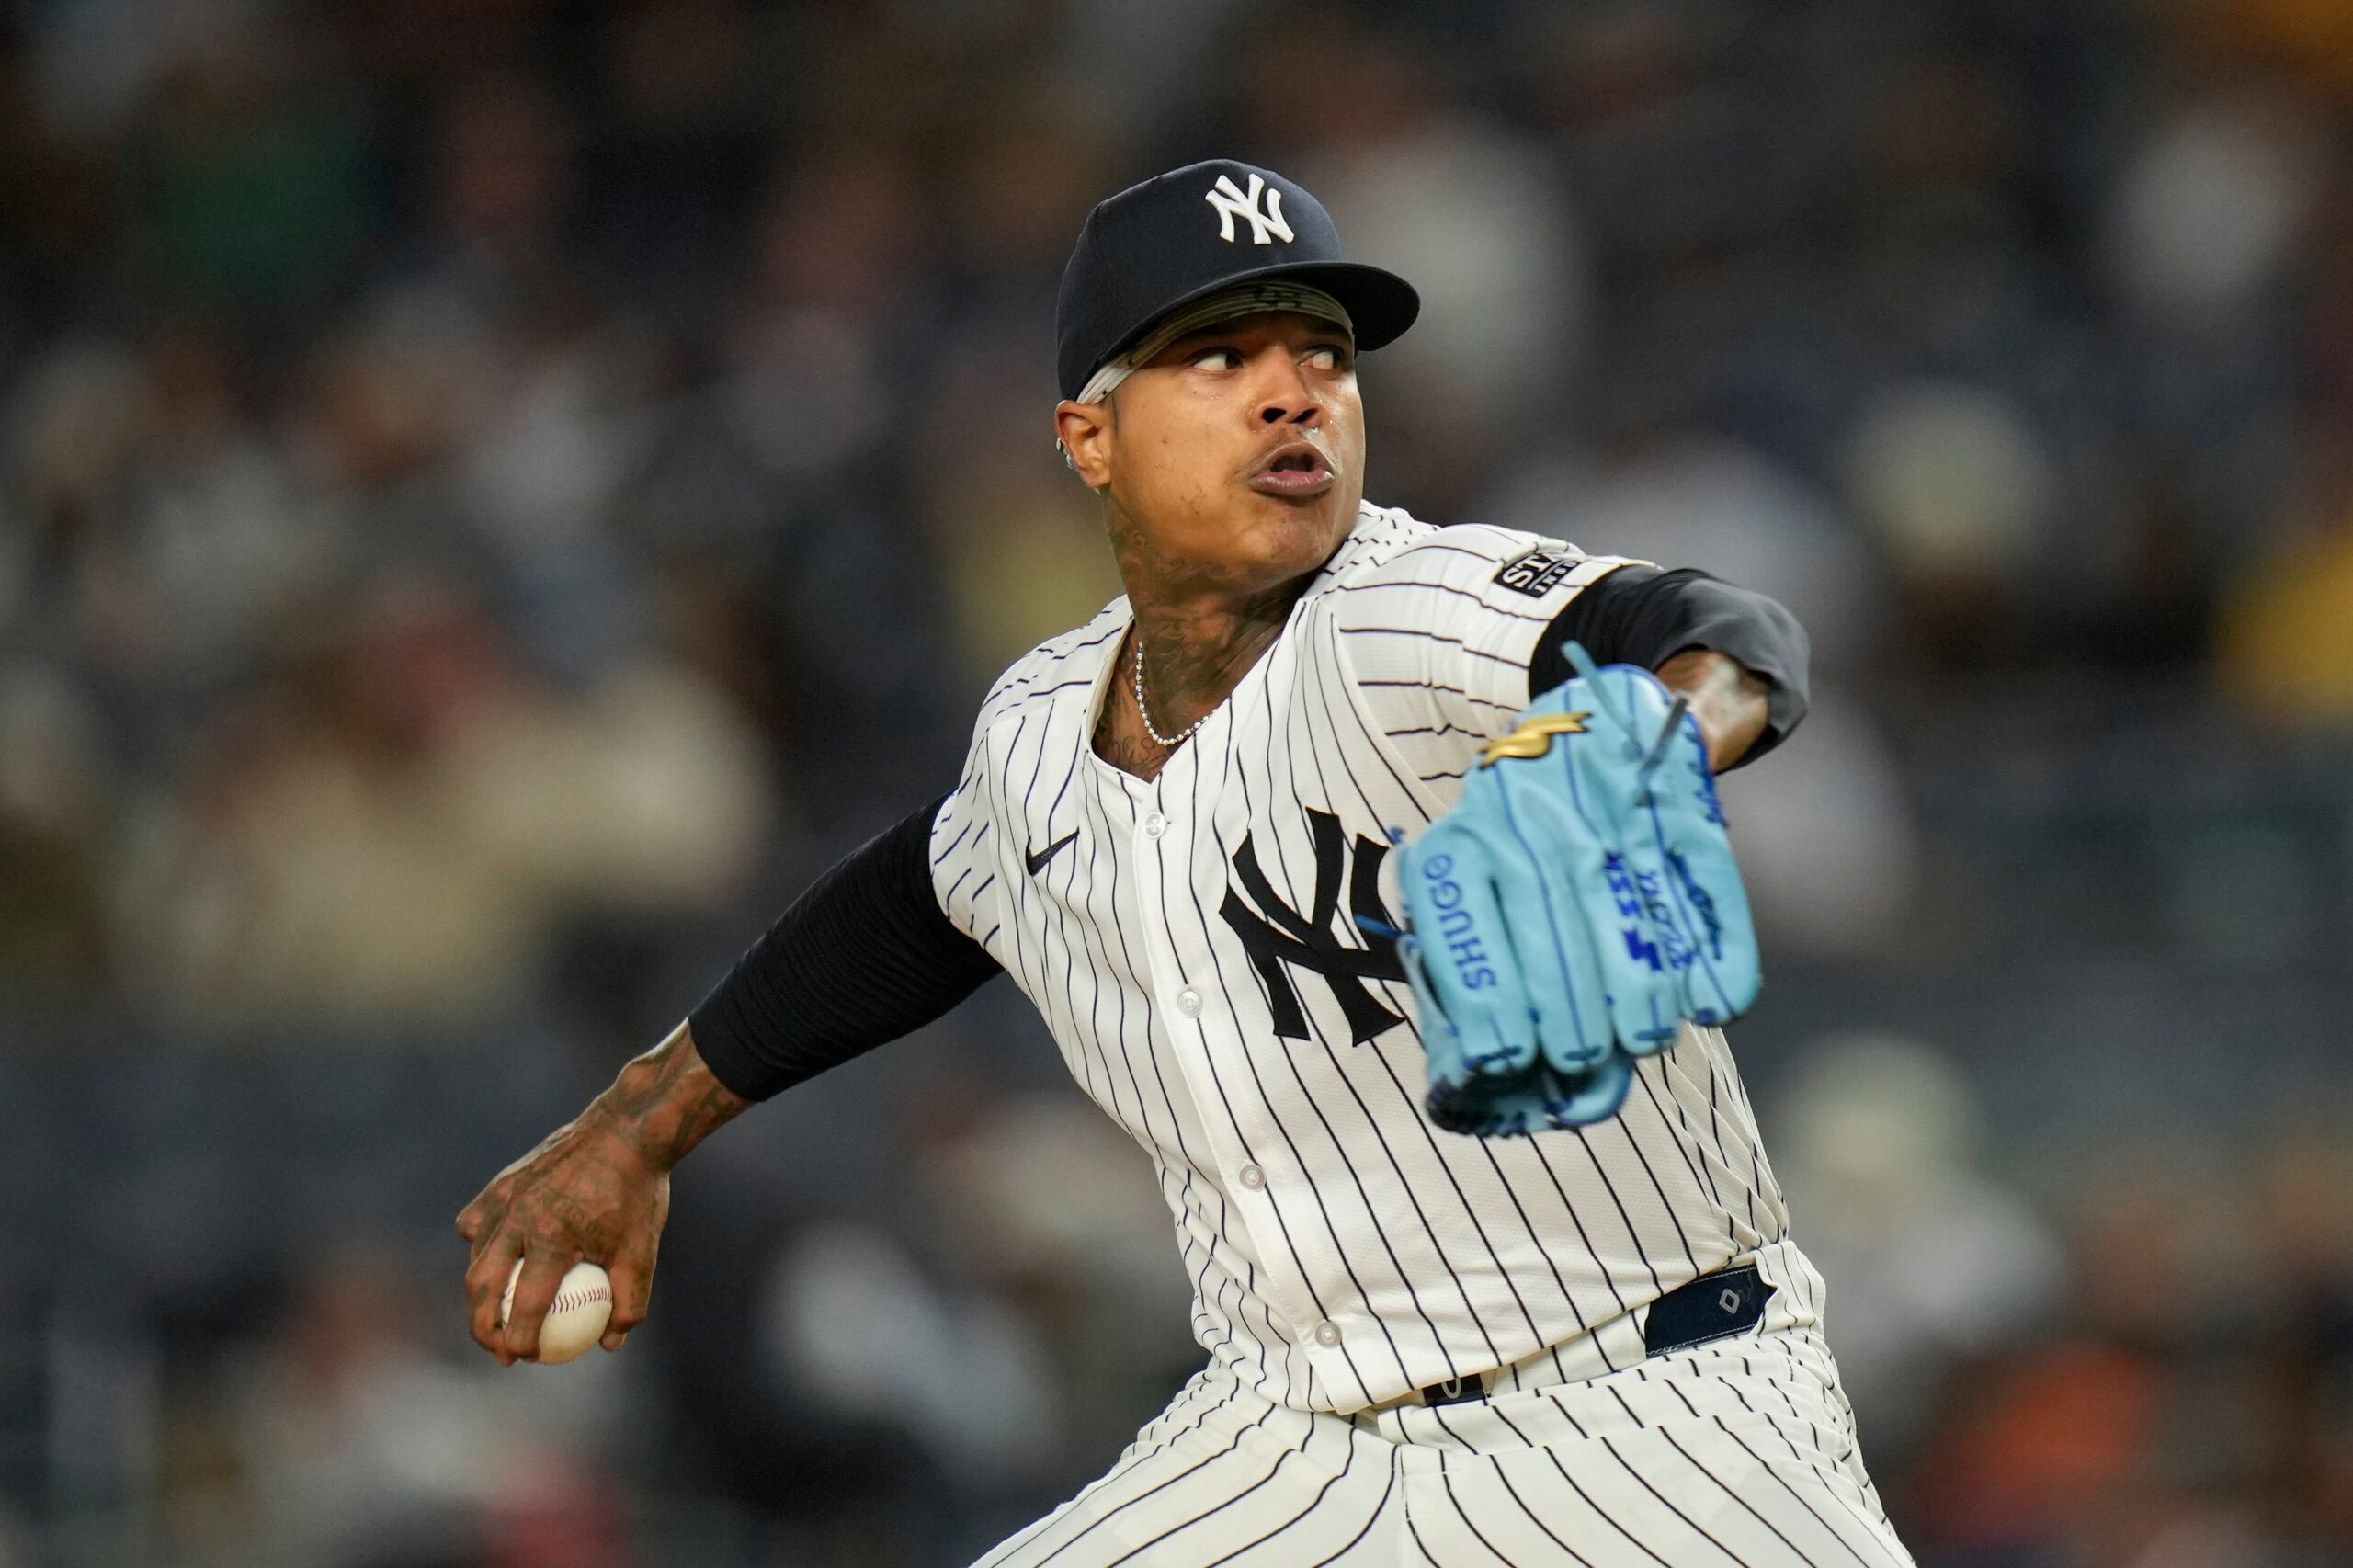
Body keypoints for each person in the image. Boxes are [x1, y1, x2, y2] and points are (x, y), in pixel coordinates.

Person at [459, 160, 1915, 1566]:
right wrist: (640, 1122)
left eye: (1325, 353)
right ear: (1089, 437)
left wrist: (1651, 735)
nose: (1296, 390)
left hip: (1647, 1410)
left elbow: (1724, 630)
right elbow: (914, 901)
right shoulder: (1039, 726)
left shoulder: (1406, 609)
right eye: (1219, 356)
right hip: (1290, 1441)